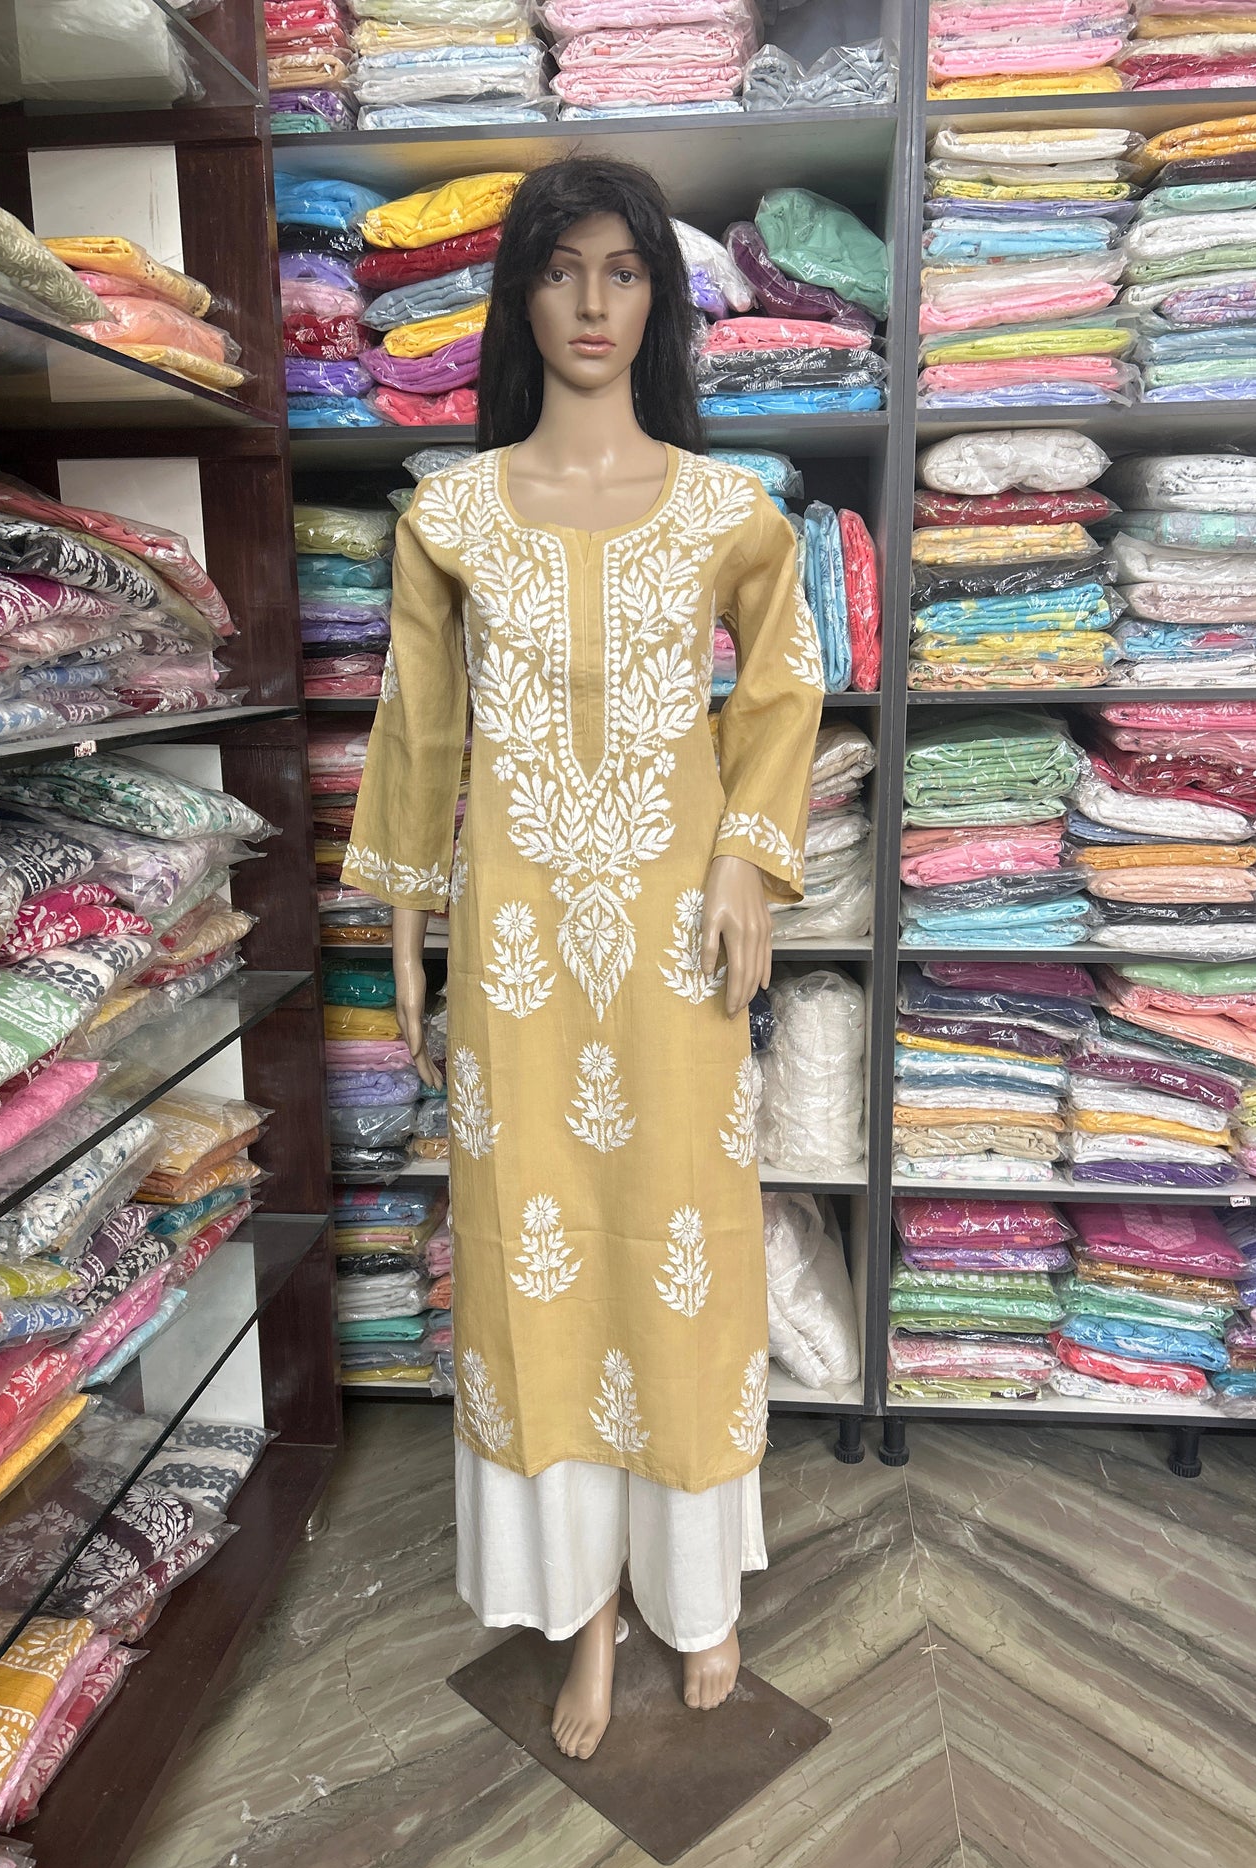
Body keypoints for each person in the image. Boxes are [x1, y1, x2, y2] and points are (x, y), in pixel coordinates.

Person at [344, 156, 823, 1760]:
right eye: (561, 270)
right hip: (517, 950)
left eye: (624, 271)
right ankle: (589, 1616)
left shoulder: (725, 510)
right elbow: (418, 729)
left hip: (677, 948)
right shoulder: (452, 515)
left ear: (658, 300)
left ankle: (697, 1592)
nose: (593, 302)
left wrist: (749, 858)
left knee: (682, 1251)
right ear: (520, 297)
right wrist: (404, 922)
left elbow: (783, 686)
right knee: (532, 1255)